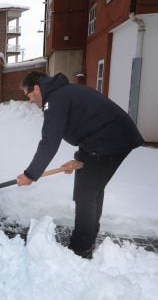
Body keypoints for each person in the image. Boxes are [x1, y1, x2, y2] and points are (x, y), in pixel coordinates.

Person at [17, 71, 144, 259]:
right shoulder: (64, 93)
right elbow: (89, 126)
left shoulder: (55, 100)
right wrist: (80, 158)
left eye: (28, 95)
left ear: (36, 88)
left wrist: (30, 174)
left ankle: (80, 248)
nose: (29, 100)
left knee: (85, 194)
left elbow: (50, 141)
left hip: (112, 140)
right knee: (91, 191)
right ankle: (87, 241)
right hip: (111, 138)